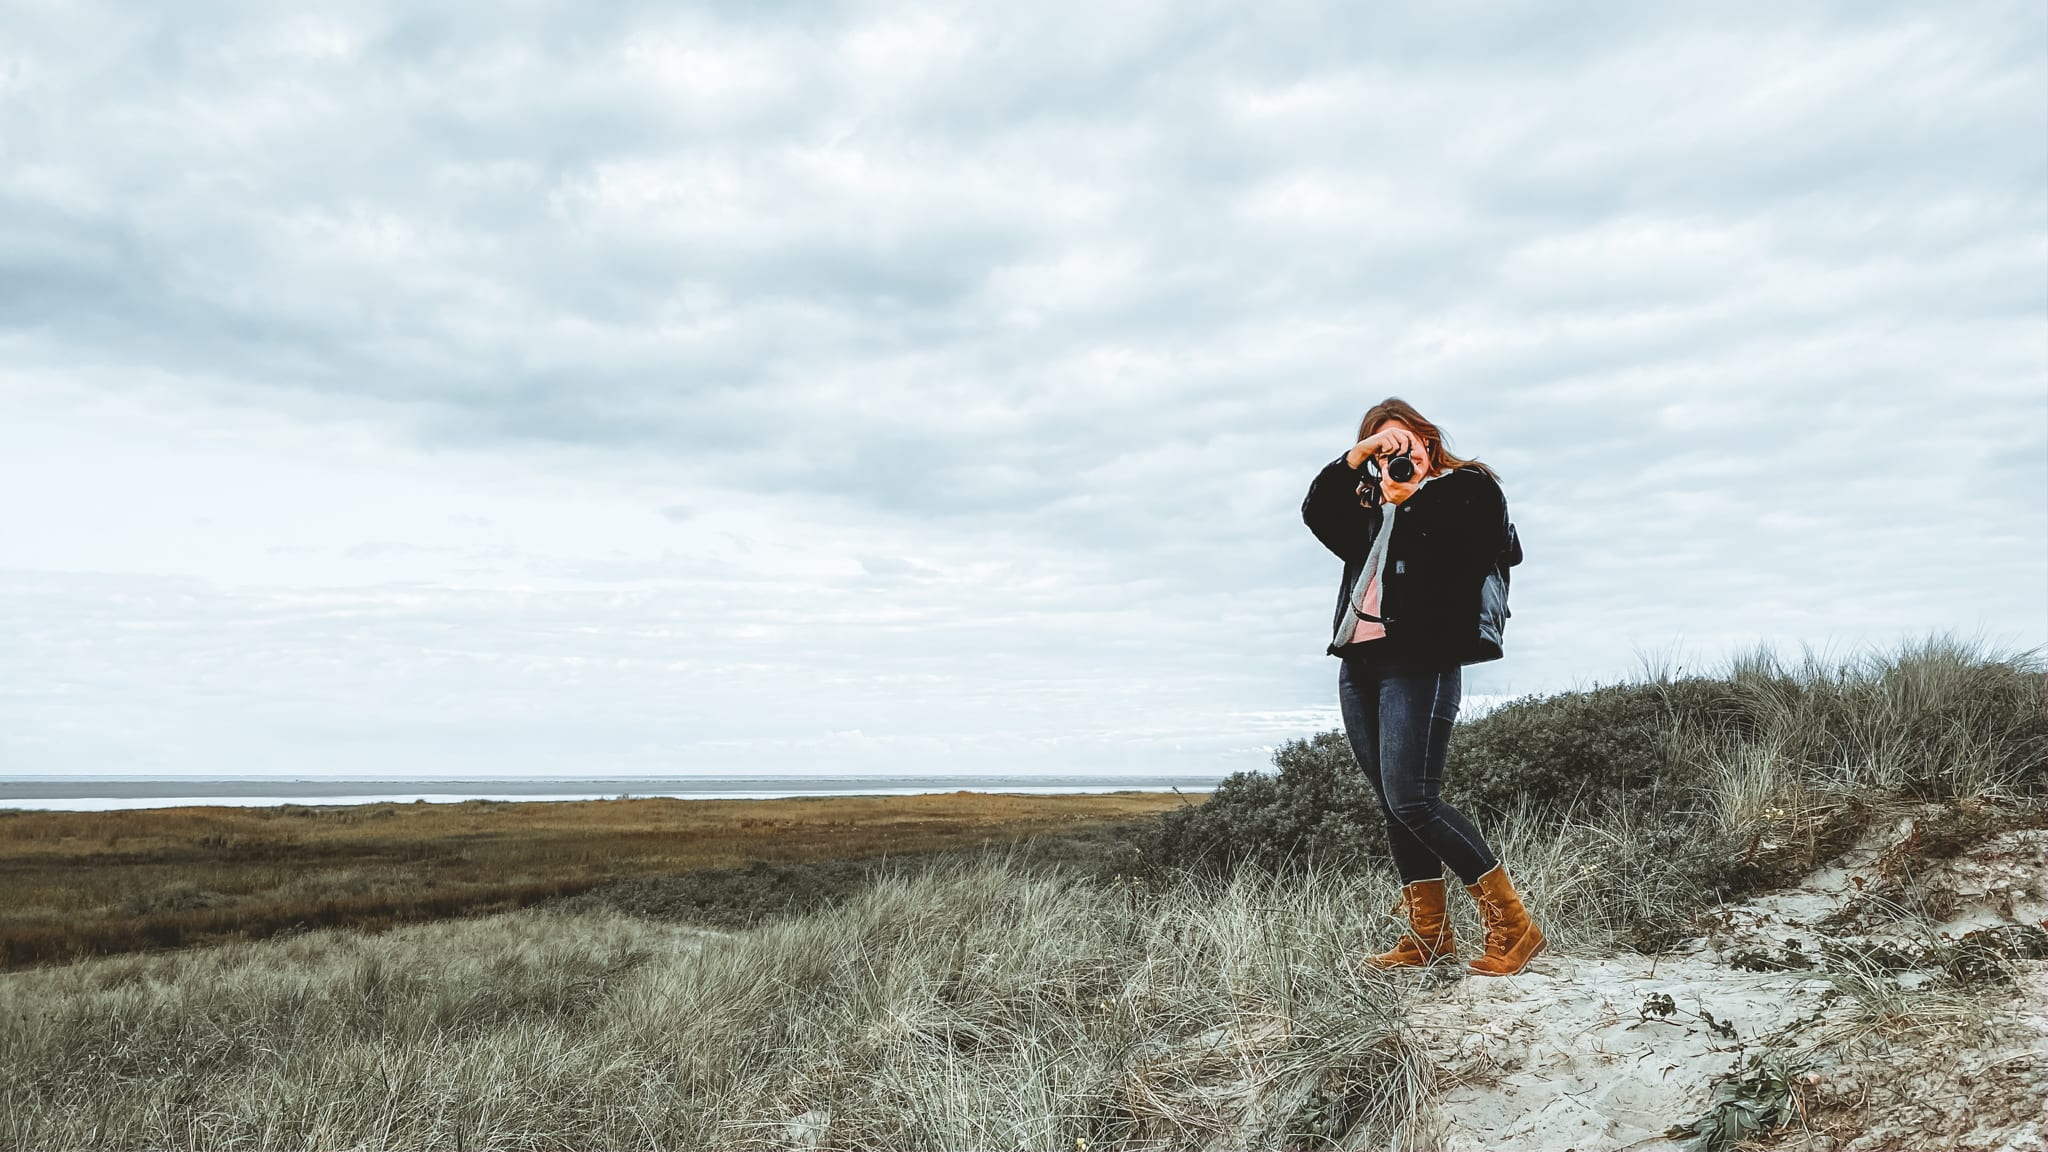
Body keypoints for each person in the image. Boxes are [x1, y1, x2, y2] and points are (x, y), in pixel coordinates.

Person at [1300, 397, 1544, 976]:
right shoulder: (1367, 504)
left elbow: (1479, 548)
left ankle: (1514, 924)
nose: (1394, 456)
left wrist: (1414, 502)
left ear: (1427, 439)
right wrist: (1354, 461)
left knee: (1415, 797)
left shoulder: (1469, 489)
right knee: (1393, 805)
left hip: (1422, 656)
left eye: (1400, 441)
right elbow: (1316, 514)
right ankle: (1429, 936)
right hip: (1359, 663)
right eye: (1380, 447)